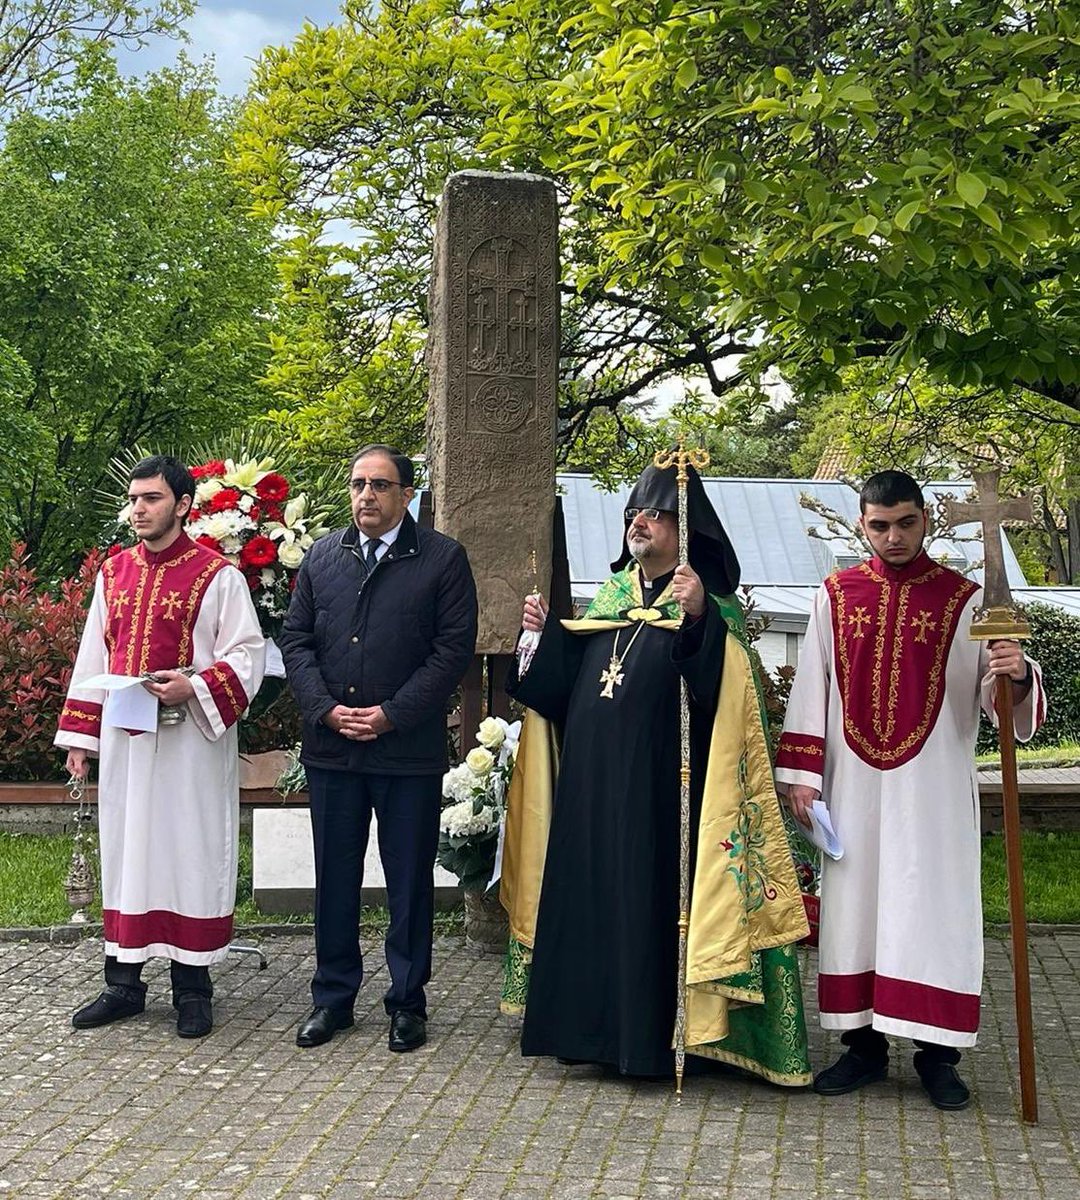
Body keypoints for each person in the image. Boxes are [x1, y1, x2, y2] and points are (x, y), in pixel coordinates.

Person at [499, 462, 812, 1084]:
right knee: (595, 897)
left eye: (654, 514)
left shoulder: (711, 606)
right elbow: (563, 692)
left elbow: (724, 696)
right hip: (592, 791)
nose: (637, 524)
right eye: (631, 516)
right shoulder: (611, 598)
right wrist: (540, 638)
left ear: (687, 533)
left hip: (665, 797)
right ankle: (589, 1033)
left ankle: (653, 1037)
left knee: (649, 902)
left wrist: (698, 621)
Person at [775, 469, 1046, 1110]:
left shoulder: (967, 600)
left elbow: (997, 702)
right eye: (879, 525)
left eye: (905, 523)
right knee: (858, 909)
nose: (892, 537)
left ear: (925, 520)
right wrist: (803, 776)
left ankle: (938, 1053)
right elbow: (812, 684)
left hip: (934, 791)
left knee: (931, 908)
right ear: (863, 524)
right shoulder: (834, 596)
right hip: (855, 784)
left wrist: (1016, 673)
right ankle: (863, 1049)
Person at [56, 455, 266, 1038]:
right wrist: (80, 737)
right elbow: (93, 657)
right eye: (135, 499)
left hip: (190, 744)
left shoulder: (217, 576)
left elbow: (248, 656)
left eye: (151, 498)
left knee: (186, 852)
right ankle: (122, 984)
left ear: (182, 503)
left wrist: (193, 685)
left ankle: (193, 989)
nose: (139, 509)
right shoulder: (114, 573)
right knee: (129, 851)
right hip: (127, 737)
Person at [280, 444, 478, 1052]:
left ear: (407, 495)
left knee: (407, 881)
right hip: (333, 749)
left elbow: (452, 651)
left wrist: (391, 715)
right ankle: (333, 999)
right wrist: (324, 709)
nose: (366, 495)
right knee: (334, 878)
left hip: (405, 753)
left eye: (380, 485)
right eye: (358, 483)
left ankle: (407, 1003)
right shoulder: (322, 556)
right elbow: (295, 640)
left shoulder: (442, 559)